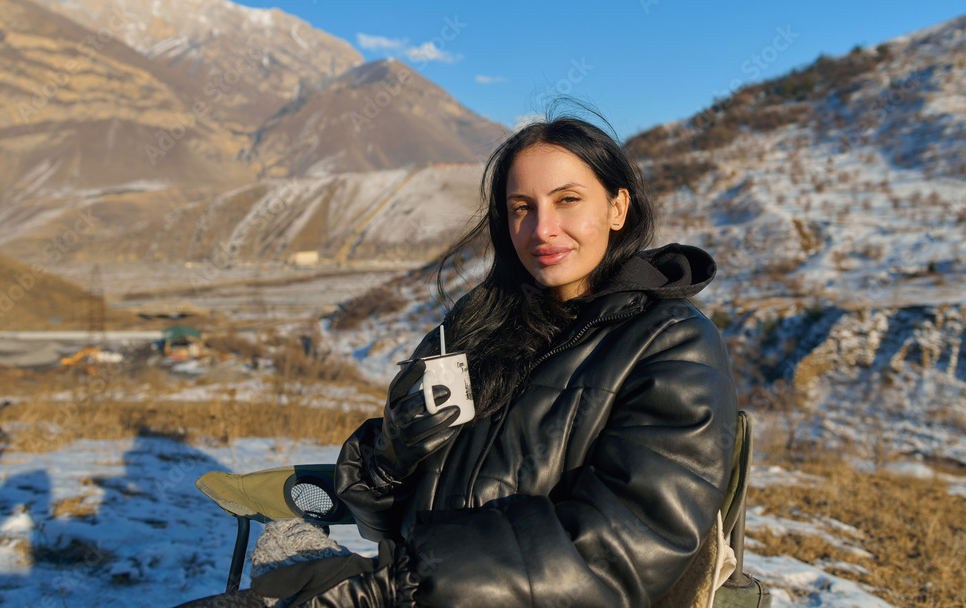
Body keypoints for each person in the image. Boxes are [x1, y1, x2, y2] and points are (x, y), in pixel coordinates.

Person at [248, 112, 738, 606]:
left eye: (568, 200)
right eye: (522, 207)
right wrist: (391, 461)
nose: (542, 229)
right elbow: (386, 521)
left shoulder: (674, 344)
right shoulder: (478, 325)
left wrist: (401, 587)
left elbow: (625, 550)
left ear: (617, 207)